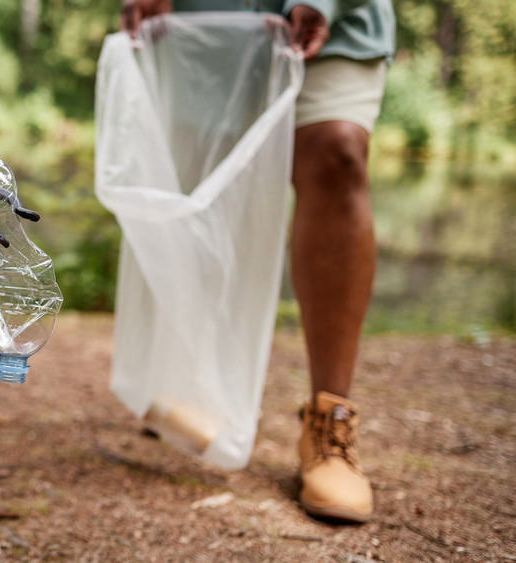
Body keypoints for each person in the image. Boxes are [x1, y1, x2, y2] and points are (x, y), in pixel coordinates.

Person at [121, 0, 395, 523]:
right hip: (211, 16)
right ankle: (190, 381)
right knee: (208, 177)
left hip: (335, 23)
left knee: (337, 151)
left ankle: (330, 421)